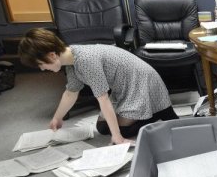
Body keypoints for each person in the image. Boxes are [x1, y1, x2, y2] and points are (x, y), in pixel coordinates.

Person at [18, 28, 178, 144]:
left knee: (119, 131)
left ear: (52, 55)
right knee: (103, 128)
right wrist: (57, 118)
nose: (42, 69)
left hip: (141, 85)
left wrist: (117, 138)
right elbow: (70, 92)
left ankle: (157, 114)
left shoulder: (85, 60)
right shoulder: (71, 60)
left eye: (40, 64)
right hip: (125, 88)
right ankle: (156, 113)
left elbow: (103, 99)